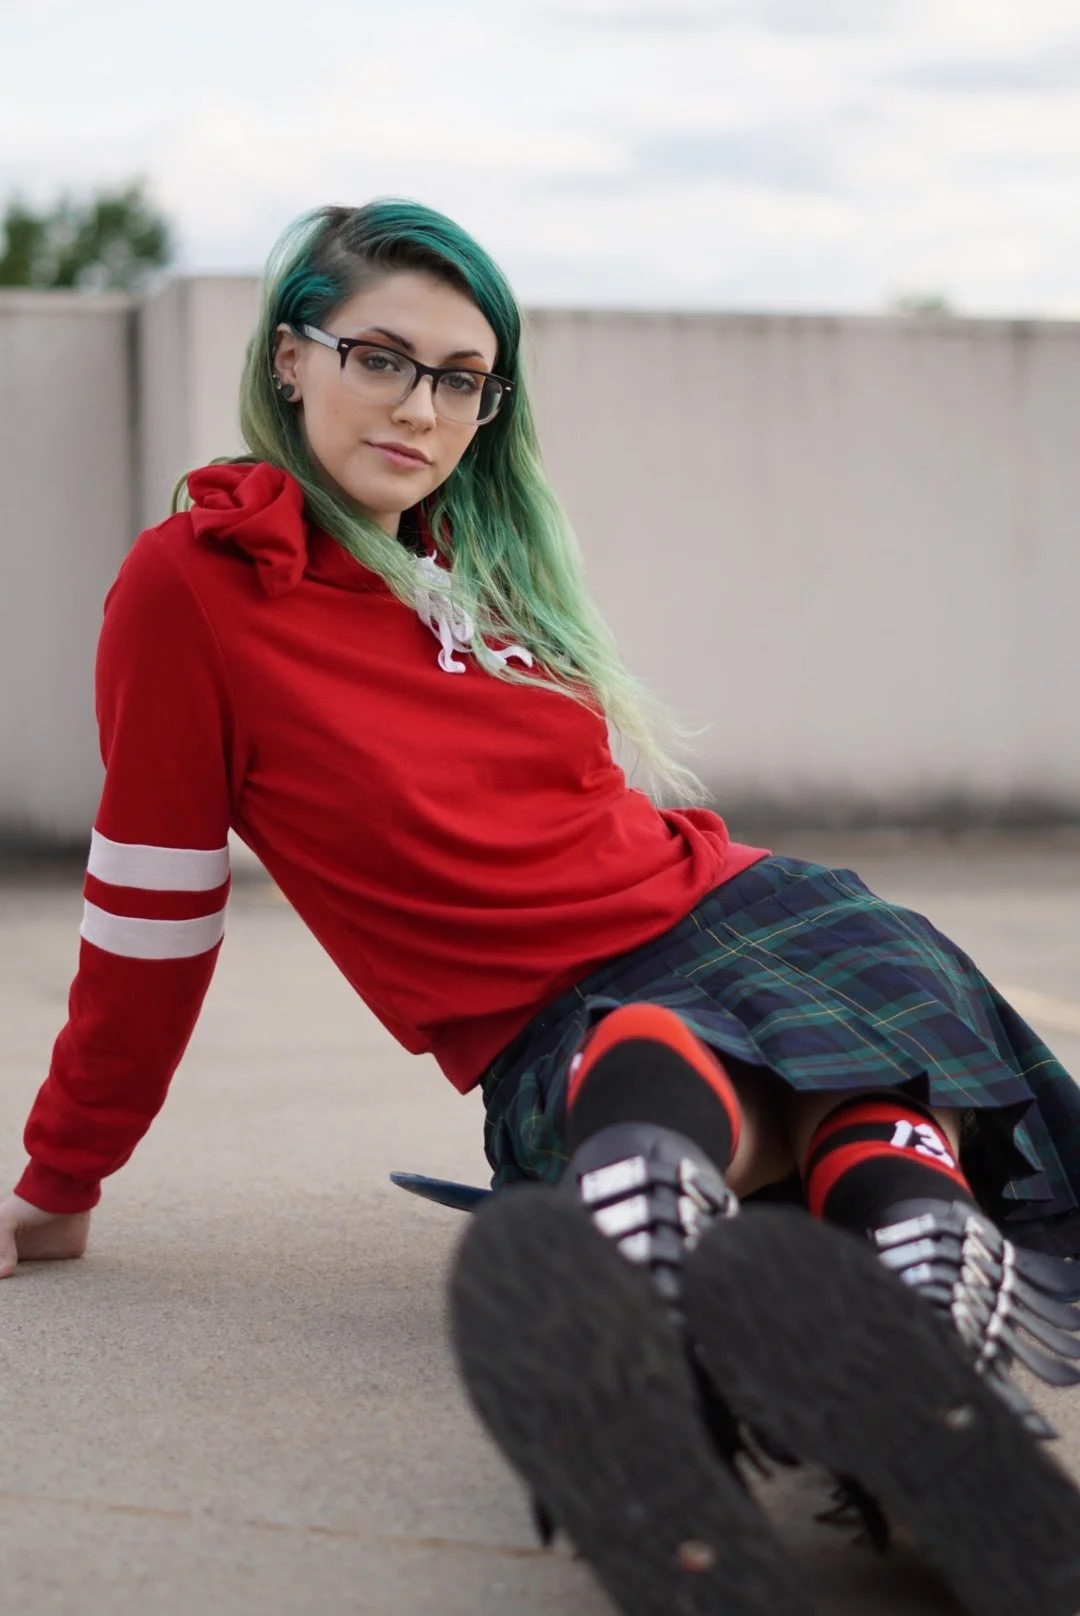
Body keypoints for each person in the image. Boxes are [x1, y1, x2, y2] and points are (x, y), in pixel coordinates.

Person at [3, 200, 1080, 1614]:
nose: (424, 407)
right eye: (381, 357)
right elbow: (154, 910)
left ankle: (901, 1328)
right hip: (569, 1020)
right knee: (647, 1050)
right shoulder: (193, 586)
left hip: (753, 911)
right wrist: (63, 1176)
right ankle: (717, 1269)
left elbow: (593, 818)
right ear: (288, 359)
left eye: (463, 378)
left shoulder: (484, 561)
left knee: (810, 1080)